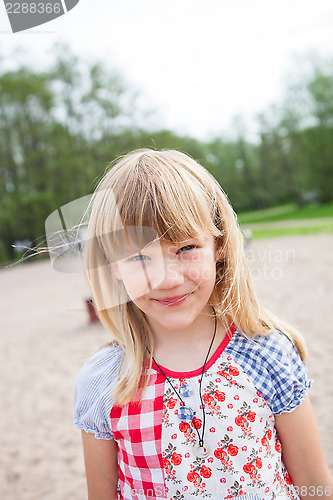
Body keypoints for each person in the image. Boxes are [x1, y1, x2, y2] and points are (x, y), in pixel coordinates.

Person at [73, 149, 333, 500]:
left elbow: (314, 486)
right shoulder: (104, 383)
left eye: (185, 248)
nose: (166, 280)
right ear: (114, 266)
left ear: (219, 246)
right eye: (138, 257)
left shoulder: (266, 354)